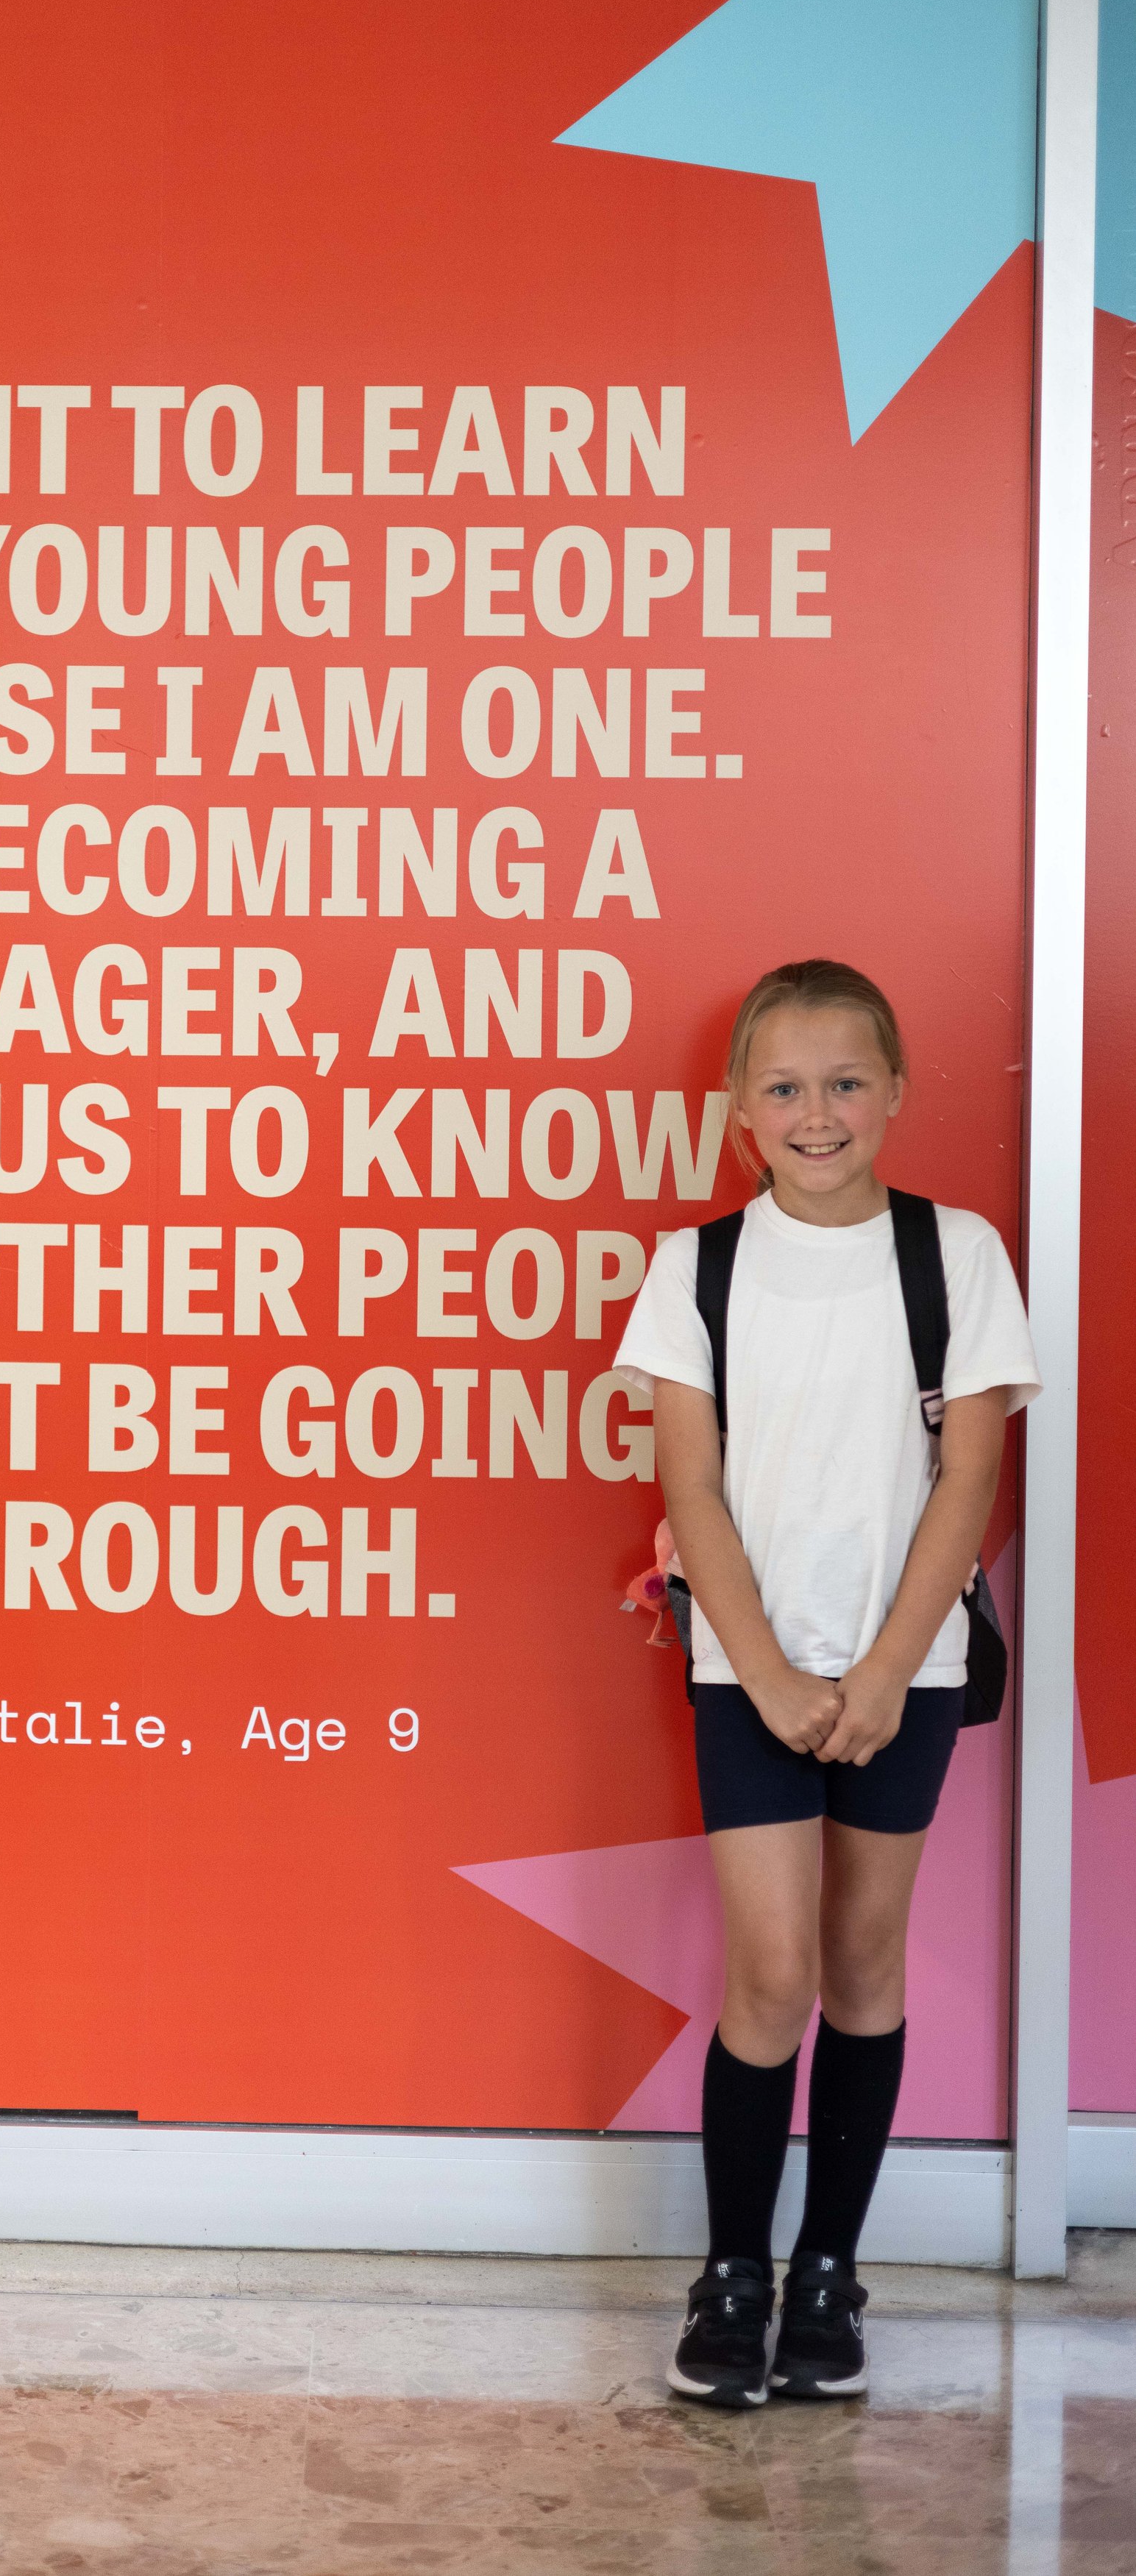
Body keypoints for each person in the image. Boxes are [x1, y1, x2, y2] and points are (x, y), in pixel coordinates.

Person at [615, 959, 1040, 2406]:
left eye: (844, 1081)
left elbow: (967, 1477)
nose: (816, 1112)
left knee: (862, 1968)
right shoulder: (699, 1267)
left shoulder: (957, 1254)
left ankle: (824, 2273)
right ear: (738, 1110)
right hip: (747, 1675)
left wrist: (871, 1672)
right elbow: (686, 1479)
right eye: (784, 1087)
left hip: (898, 1676)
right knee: (772, 1972)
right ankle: (731, 2269)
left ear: (895, 1091)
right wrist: (771, 1669)